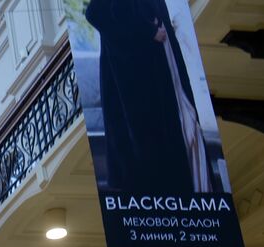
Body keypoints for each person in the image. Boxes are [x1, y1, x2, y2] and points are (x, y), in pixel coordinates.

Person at [84, 0, 217, 195]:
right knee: (154, 150)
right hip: (139, 83)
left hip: (160, 68)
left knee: (180, 129)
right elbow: (96, 13)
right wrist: (146, 32)